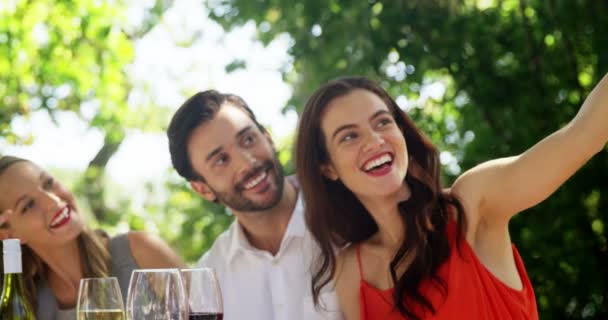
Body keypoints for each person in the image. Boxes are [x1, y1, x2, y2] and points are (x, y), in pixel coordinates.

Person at [295, 75, 608, 320]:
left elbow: (584, 135)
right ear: (327, 168)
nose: (374, 140)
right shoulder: (352, 271)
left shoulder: (472, 203)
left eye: (382, 122)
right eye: (349, 136)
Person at [167, 90, 342, 320]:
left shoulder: (349, 217)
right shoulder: (209, 279)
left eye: (248, 140)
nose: (247, 162)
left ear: (267, 137)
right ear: (203, 189)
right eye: (221, 160)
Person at [0, 156, 186, 320]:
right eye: (29, 205)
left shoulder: (141, 251)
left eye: (48, 183)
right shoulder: (27, 303)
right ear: (8, 234)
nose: (53, 201)